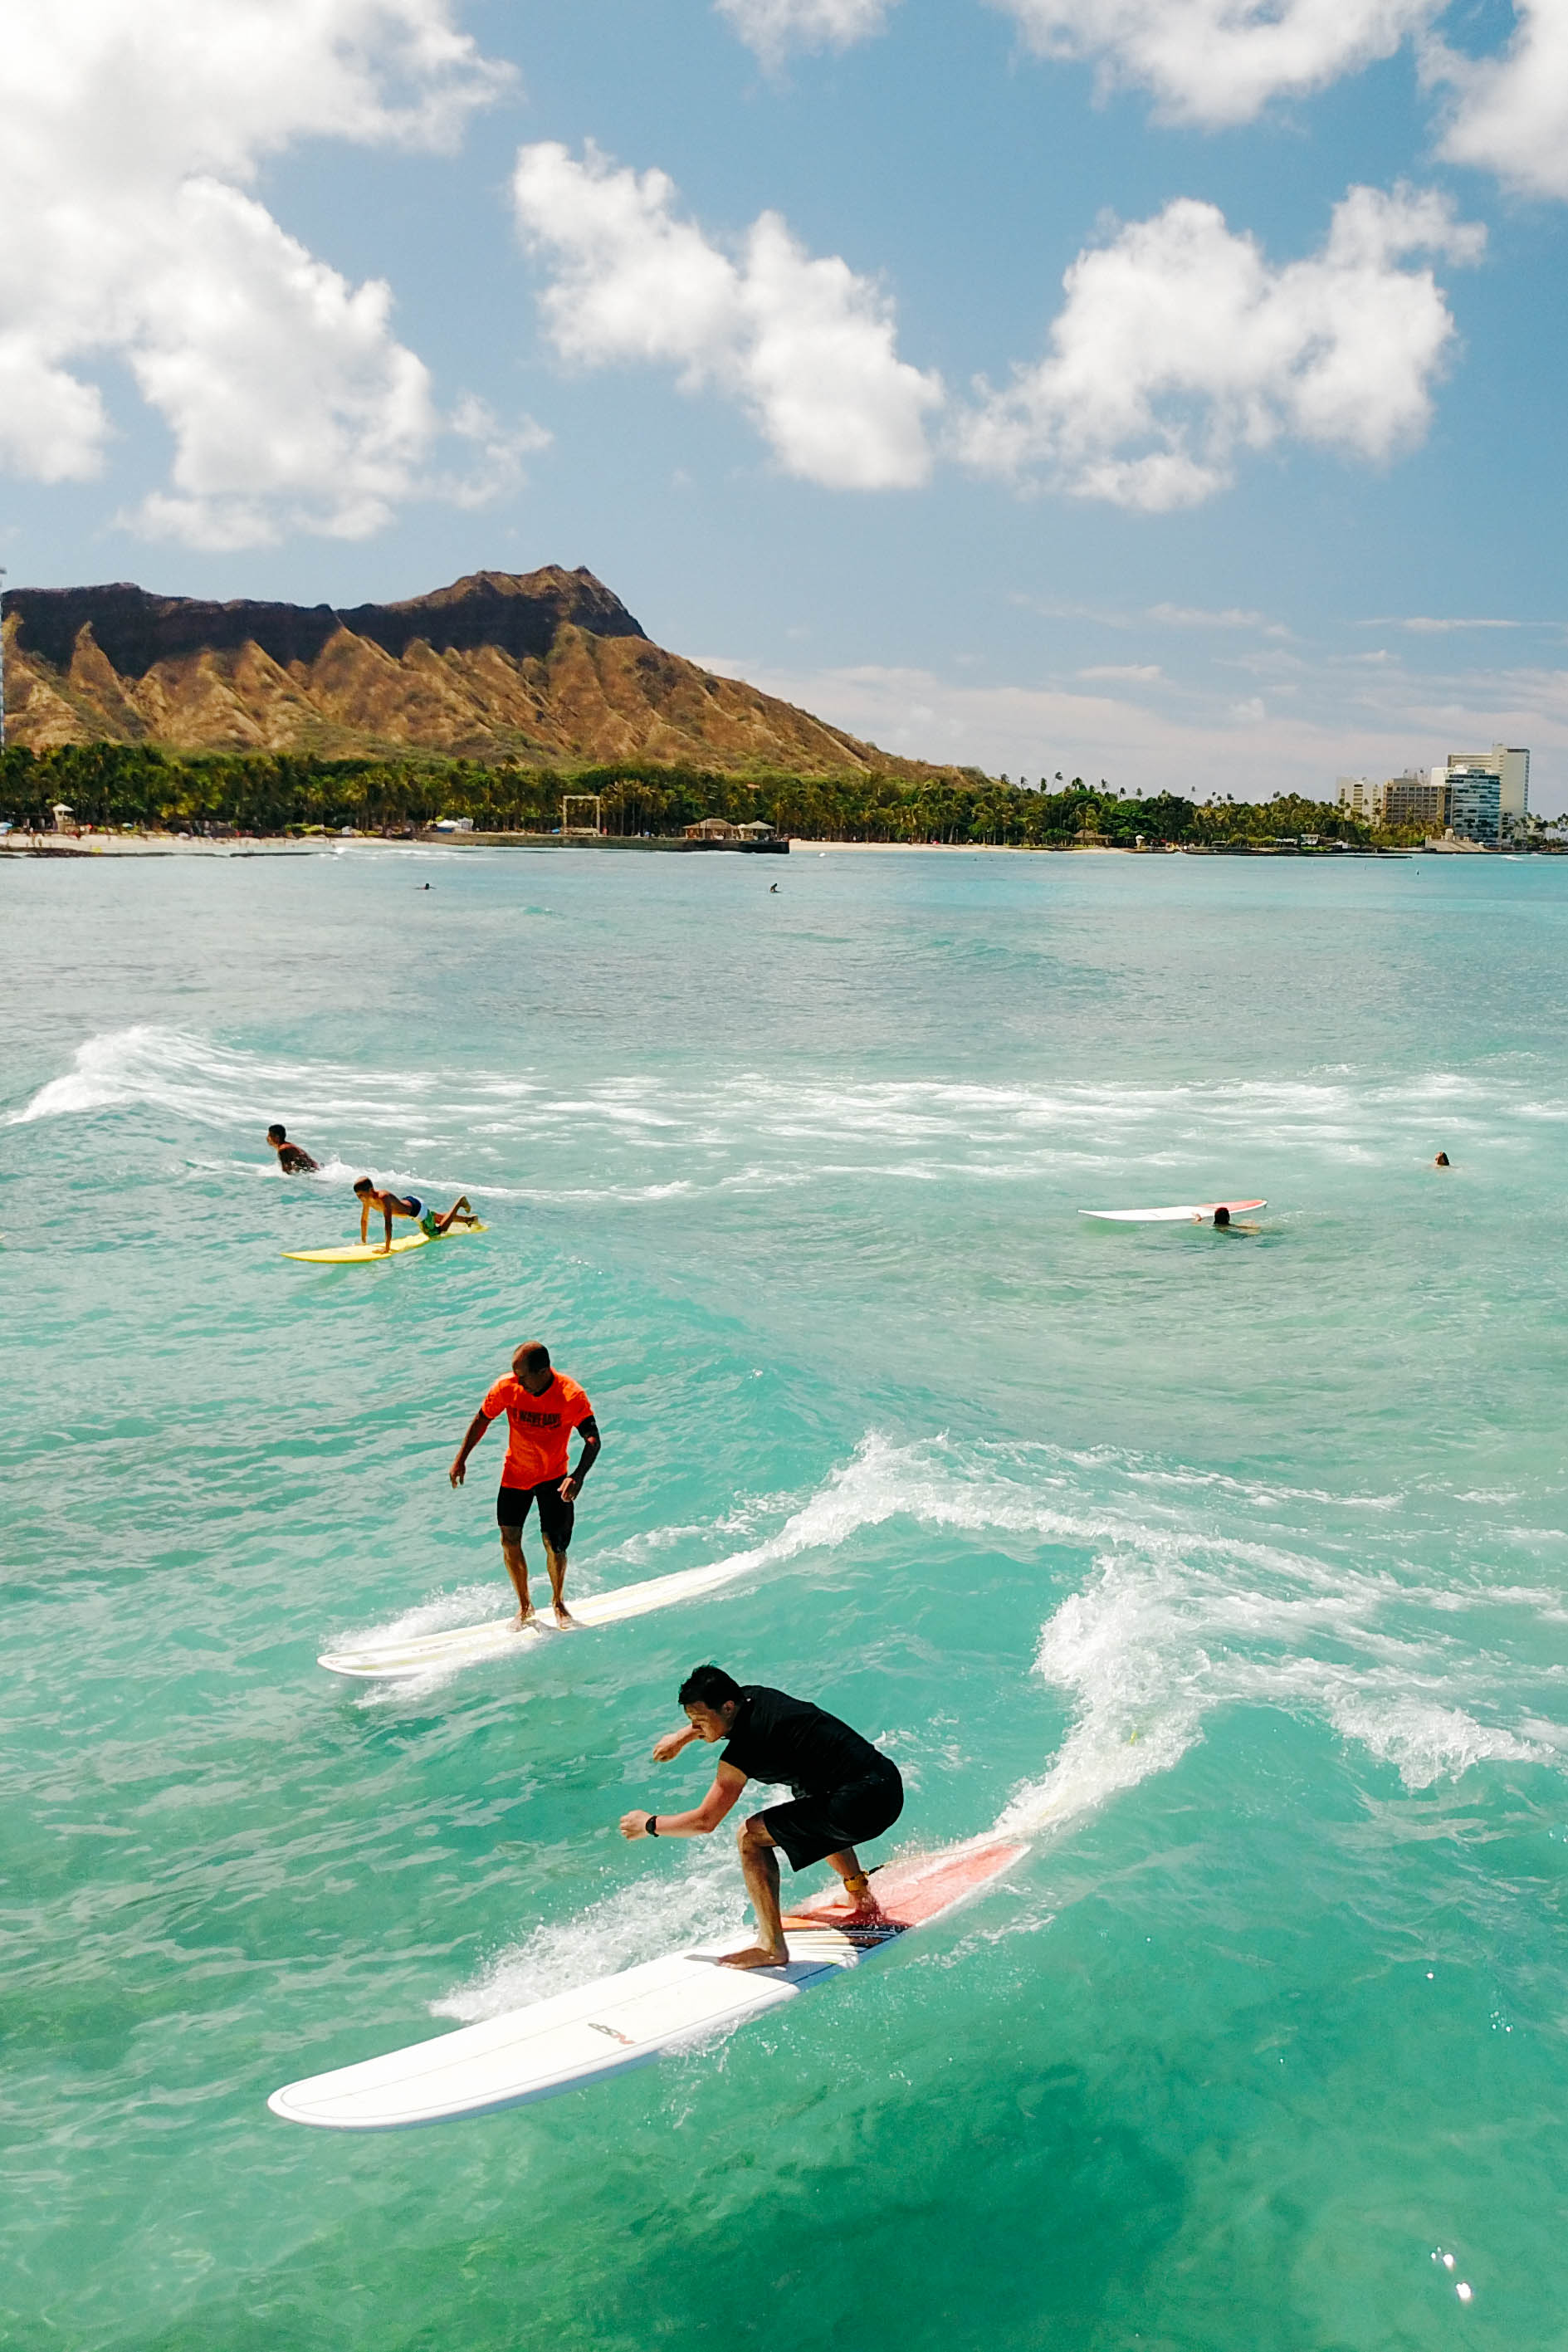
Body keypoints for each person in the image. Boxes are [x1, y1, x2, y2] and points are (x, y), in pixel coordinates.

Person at [620, 1664, 905, 1972]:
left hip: (859, 1808)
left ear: (728, 1707)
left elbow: (705, 1821)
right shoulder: (752, 1696)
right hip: (885, 1784)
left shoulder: (746, 1749)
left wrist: (649, 1825)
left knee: (749, 1836)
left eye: (699, 1720)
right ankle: (861, 1896)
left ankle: (771, 1946)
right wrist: (680, 1738)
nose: (695, 1726)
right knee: (810, 1799)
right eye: (691, 1720)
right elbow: (719, 1715)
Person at [448, 1342, 600, 1626]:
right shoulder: (506, 1387)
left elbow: (593, 1440)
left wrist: (577, 1476)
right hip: (515, 1474)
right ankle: (524, 1606)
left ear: (542, 1372)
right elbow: (482, 1420)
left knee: (555, 1545)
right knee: (509, 1539)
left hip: (554, 1477)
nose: (516, 1381)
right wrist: (461, 1459)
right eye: (514, 1375)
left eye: (522, 1377)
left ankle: (558, 1602)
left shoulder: (571, 1395)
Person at [352, 1176, 478, 1254]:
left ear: (370, 1190)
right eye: (358, 1197)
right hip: (411, 1203)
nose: (360, 1199)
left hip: (416, 1211)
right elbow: (364, 1220)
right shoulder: (367, 1200)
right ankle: (469, 1220)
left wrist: (387, 1248)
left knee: (436, 1233)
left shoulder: (383, 1197)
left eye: (361, 1195)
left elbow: (388, 1223)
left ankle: (459, 1203)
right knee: (436, 1218)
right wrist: (364, 1242)